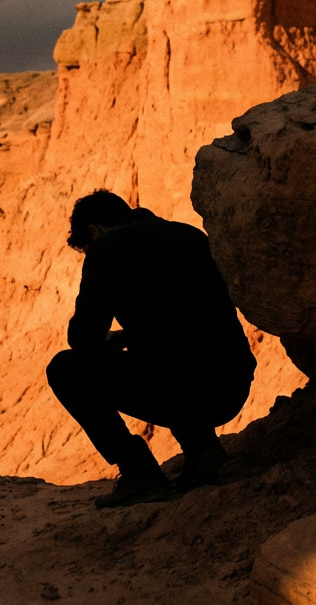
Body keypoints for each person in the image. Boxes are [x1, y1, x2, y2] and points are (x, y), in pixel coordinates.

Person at [46, 190, 255, 508]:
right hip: (233, 384)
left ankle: (139, 475)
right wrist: (132, 335)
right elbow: (188, 319)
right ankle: (202, 450)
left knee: (65, 369)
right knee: (171, 357)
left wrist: (111, 339)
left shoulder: (107, 247)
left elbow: (83, 340)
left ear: (94, 231)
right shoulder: (189, 234)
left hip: (186, 391)